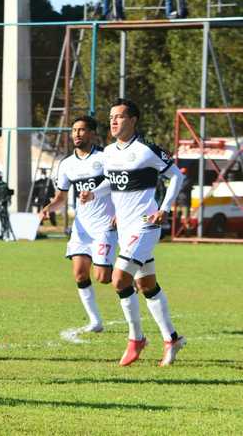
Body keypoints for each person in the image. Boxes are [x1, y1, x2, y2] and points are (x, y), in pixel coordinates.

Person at [81, 98, 185, 367]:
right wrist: (94, 192)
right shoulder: (109, 153)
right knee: (147, 285)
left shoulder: (146, 149)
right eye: (111, 116)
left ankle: (136, 338)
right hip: (125, 229)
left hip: (145, 224)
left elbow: (177, 176)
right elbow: (113, 182)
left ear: (133, 120)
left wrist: (164, 208)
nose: (113, 121)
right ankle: (172, 338)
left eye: (119, 116)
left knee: (119, 279)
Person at [41, 116, 117, 333]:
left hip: (104, 226)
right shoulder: (66, 164)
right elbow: (61, 198)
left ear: (92, 133)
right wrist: (48, 209)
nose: (77, 134)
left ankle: (130, 272)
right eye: (74, 130)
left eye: (82, 130)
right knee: (80, 274)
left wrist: (118, 211)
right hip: (82, 228)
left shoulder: (105, 158)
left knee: (103, 277)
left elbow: (118, 184)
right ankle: (95, 322)